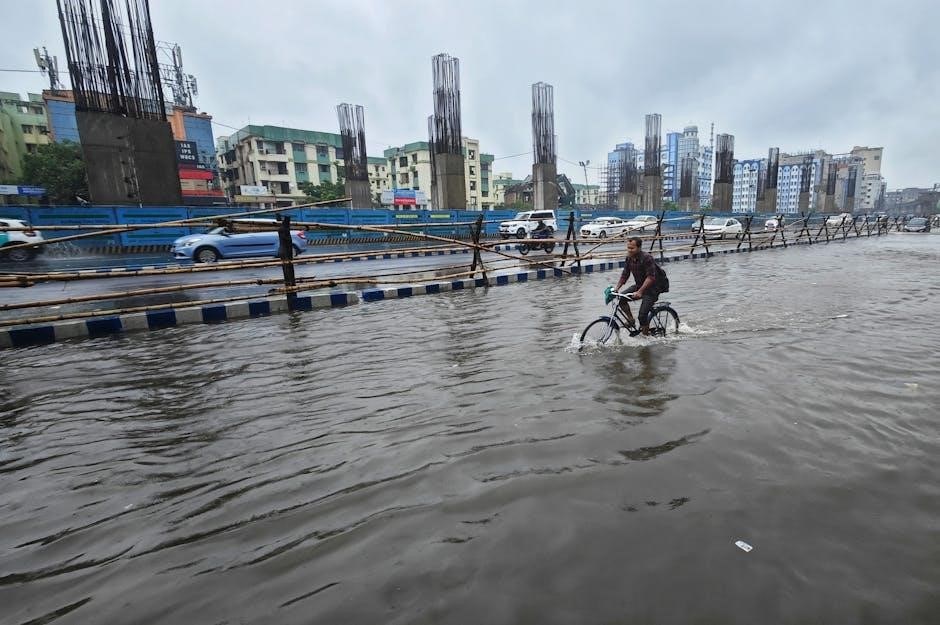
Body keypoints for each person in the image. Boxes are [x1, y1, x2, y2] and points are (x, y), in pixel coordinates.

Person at [615, 236, 662, 336]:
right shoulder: (629, 258)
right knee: (621, 298)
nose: (629, 250)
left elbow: (651, 277)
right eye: (628, 248)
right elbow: (625, 274)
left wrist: (640, 291)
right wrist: (616, 288)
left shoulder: (647, 258)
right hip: (639, 286)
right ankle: (631, 320)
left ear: (639, 248)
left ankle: (645, 337)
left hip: (652, 289)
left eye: (632, 248)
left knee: (642, 316)